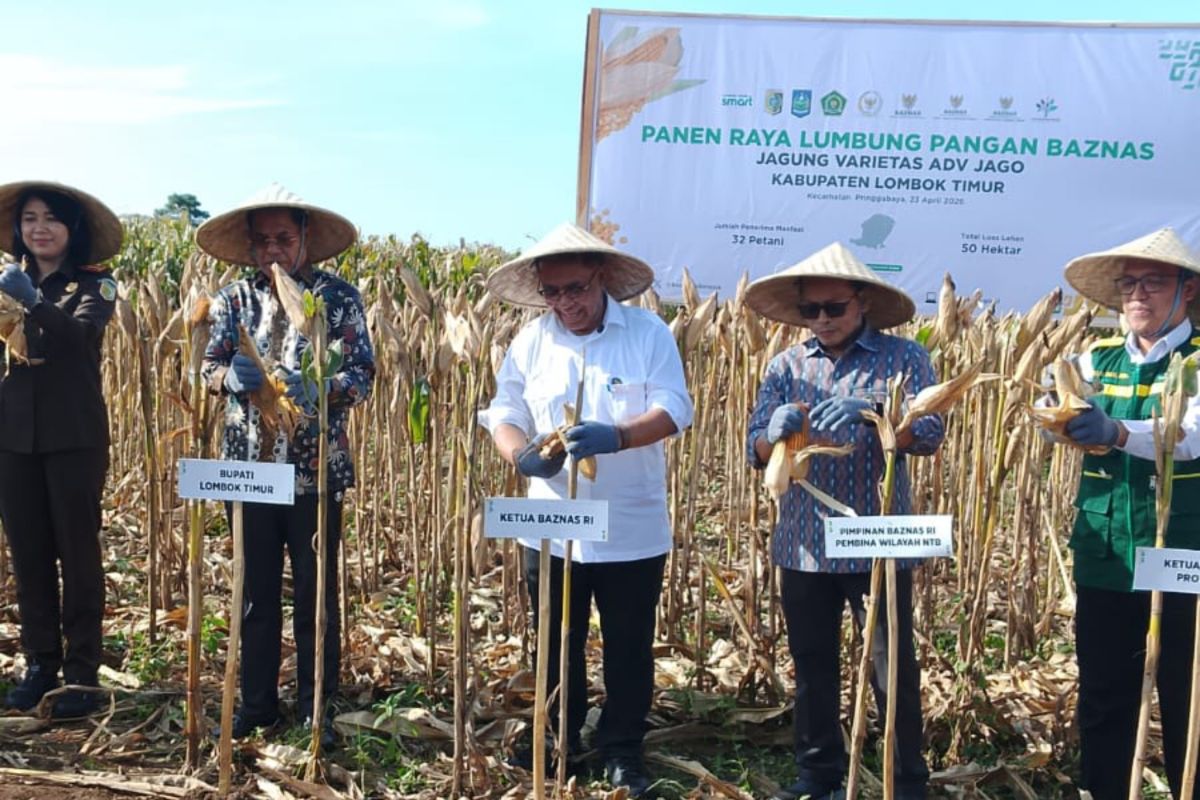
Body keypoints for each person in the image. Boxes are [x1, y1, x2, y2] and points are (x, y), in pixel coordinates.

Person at [479, 223, 693, 797]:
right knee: (555, 640)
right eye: (552, 292)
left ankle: (623, 748)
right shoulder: (531, 341)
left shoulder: (648, 333)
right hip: (550, 529)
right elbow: (505, 409)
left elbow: (675, 409)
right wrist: (519, 453)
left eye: (574, 288)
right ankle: (560, 737)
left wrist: (618, 436)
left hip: (630, 526)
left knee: (627, 644)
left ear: (600, 278)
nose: (564, 303)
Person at [744, 242, 945, 800]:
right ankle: (818, 775)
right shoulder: (787, 365)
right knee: (812, 665)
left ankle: (905, 782)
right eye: (813, 310)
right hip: (804, 541)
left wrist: (878, 419)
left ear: (863, 302)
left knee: (890, 667)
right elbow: (753, 449)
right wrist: (773, 433)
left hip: (877, 541)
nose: (824, 320)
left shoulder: (905, 359)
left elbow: (929, 436)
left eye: (835, 307)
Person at [197, 184, 374, 746]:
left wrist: (318, 386)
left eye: (284, 238)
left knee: (316, 594)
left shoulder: (338, 299)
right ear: (250, 247)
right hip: (248, 468)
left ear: (304, 241)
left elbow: (363, 375)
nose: (273, 250)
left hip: (316, 470)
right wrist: (229, 378)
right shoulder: (232, 302)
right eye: (263, 240)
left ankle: (316, 703)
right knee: (255, 593)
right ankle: (256, 704)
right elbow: (206, 368)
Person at [1058, 228, 1200, 800]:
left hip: (1182, 554)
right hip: (1107, 554)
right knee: (1104, 695)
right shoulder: (1095, 358)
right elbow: (1062, 404)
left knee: (1188, 695)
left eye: (1154, 282)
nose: (1138, 294)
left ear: (1187, 291)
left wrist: (1116, 430)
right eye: (1129, 283)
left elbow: (1190, 436)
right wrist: (1059, 416)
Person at [0, 181, 122, 718]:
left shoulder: (96, 287)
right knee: (28, 557)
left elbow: (78, 340)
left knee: (77, 553)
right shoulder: (4, 286)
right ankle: (40, 665)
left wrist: (32, 303)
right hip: (13, 439)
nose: (39, 228)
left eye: (51, 218)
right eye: (29, 218)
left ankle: (81, 675)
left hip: (73, 438)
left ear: (72, 231)